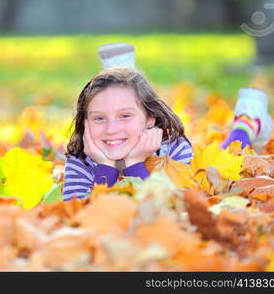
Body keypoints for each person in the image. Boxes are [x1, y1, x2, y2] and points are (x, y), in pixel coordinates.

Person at [62, 43, 193, 201]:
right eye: (99, 118)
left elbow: (174, 211)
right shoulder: (81, 160)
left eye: (124, 116)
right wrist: (105, 168)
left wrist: (135, 165)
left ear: (150, 118)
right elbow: (81, 217)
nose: (111, 129)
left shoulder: (174, 150)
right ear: (85, 122)